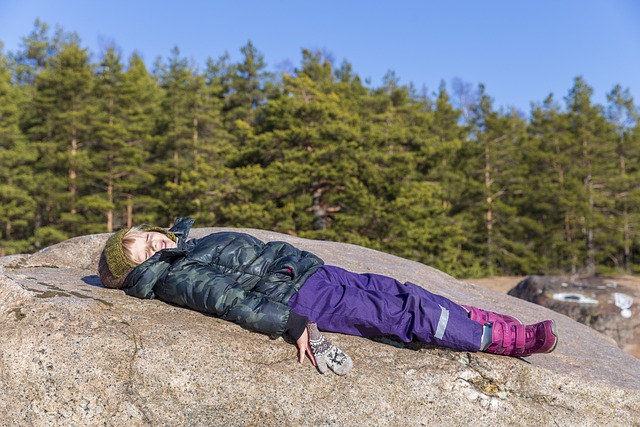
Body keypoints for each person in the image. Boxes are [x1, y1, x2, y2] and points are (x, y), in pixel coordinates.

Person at [98, 217, 558, 375]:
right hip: (304, 297)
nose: (154, 244)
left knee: (404, 291)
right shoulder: (177, 274)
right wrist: (293, 324)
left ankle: (491, 323)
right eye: (142, 252)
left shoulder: (187, 246)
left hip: (311, 272)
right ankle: (497, 340)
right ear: (142, 268)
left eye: (146, 236)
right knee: (401, 316)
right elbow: (232, 300)